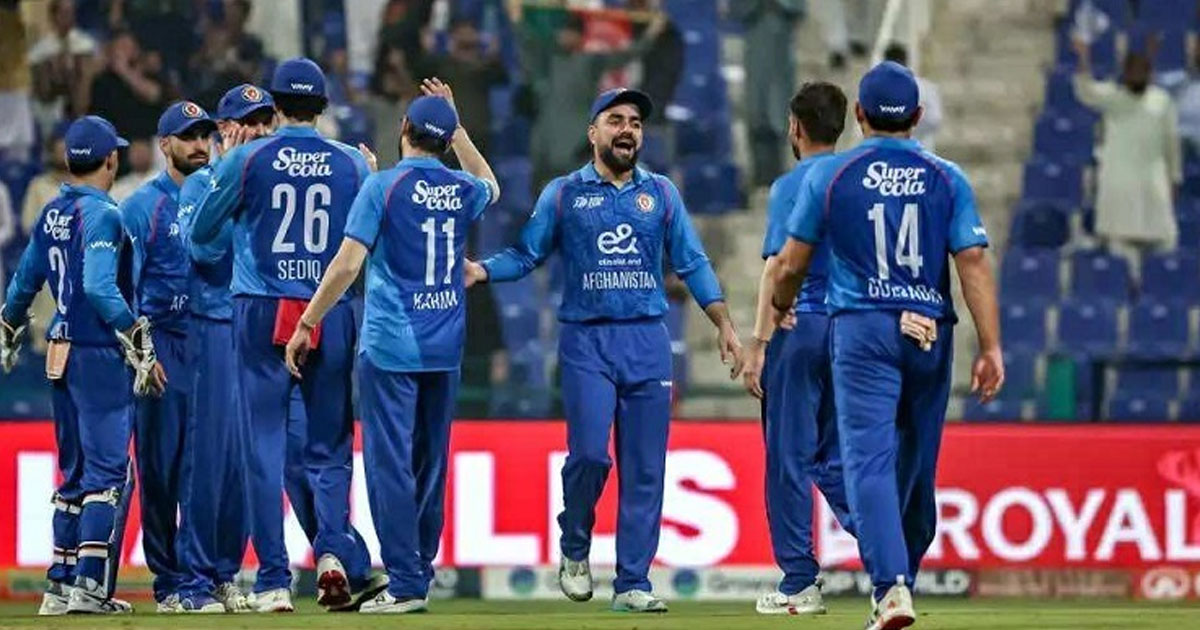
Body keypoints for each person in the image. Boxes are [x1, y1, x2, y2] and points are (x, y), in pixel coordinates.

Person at [466, 88, 743, 612]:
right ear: (593, 132)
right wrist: (482, 270)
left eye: (635, 122)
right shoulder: (564, 193)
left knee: (645, 470)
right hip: (586, 341)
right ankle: (575, 540)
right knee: (591, 456)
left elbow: (692, 262)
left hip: (646, 340)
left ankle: (633, 582)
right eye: (616, 120)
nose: (627, 129)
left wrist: (723, 323)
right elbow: (526, 254)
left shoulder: (661, 193)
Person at [766, 62, 1003, 630]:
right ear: (917, 117)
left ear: (859, 114)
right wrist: (991, 346)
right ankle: (905, 576)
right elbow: (972, 262)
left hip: (862, 329)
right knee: (917, 466)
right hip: (928, 328)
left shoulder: (831, 176)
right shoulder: (947, 177)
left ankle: (891, 587)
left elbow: (791, 263)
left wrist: (780, 303)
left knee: (868, 461)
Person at [285, 78, 499, 614]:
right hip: (444, 348)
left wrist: (308, 320)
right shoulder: (461, 188)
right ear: (444, 139)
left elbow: (347, 265)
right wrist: (459, 131)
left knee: (390, 466)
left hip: (390, 348)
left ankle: (404, 583)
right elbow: (489, 183)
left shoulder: (381, 187)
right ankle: (418, 571)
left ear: (403, 128)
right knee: (430, 465)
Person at [189, 57, 386, 613]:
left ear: (275, 106)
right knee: (330, 448)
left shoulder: (247, 158)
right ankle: (332, 554)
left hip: (261, 308)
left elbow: (201, 235)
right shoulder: (353, 162)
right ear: (322, 106)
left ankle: (274, 579)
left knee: (263, 448)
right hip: (330, 309)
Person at [1, 115, 162, 615]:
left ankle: (59, 584)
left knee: (72, 474)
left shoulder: (52, 210)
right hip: (97, 352)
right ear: (110, 159)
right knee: (106, 473)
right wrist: (134, 332)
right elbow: (98, 286)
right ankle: (90, 585)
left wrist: (8, 324)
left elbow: (24, 281)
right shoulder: (104, 214)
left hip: (60, 350)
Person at [740, 81, 855, 616]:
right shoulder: (856, 178)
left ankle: (799, 582)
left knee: (788, 457)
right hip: (853, 330)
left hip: (800, 326)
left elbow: (779, 265)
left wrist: (759, 342)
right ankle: (890, 552)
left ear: (794, 127)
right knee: (835, 456)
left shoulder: (792, 185)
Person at [174, 83, 275, 615]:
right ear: (224, 131)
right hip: (214, 325)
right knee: (210, 459)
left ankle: (225, 574)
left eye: (264, 121)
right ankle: (194, 581)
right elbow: (204, 251)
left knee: (245, 463)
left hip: (260, 325)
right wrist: (229, 177)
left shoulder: (275, 182)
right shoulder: (201, 184)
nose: (258, 131)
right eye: (247, 122)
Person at [118, 101, 216, 613]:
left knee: (209, 468)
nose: (200, 145)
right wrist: (142, 351)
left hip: (211, 341)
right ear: (164, 145)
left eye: (204, 135)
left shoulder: (219, 194)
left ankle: (208, 575)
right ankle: (169, 582)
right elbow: (124, 287)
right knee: (160, 469)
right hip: (163, 344)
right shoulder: (141, 206)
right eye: (188, 137)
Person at [507, 1, 667, 190]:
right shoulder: (547, 59)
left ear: (580, 37)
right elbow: (527, 42)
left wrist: (651, 33)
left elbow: (628, 54)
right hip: (545, 143)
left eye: (571, 32)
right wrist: (516, 18)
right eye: (564, 31)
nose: (565, 36)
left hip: (575, 146)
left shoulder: (591, 62)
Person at [1073, 39, 1182, 259]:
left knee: (1166, 242)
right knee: (1120, 250)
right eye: (1133, 71)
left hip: (1153, 185)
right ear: (1125, 73)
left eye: (1142, 71)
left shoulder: (1162, 101)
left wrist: (1174, 178)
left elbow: (1171, 144)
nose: (1137, 76)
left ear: (1150, 74)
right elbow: (1086, 91)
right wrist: (1083, 59)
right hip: (1118, 187)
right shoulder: (1113, 98)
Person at [728, 0, 804, 188]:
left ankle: (779, 169)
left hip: (780, 44)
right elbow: (736, 10)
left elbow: (797, 9)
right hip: (755, 41)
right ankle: (759, 172)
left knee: (779, 106)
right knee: (756, 108)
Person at [884, 43, 943, 151]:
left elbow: (935, 120)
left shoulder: (926, 89)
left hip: (920, 148)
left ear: (904, 62)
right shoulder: (879, 91)